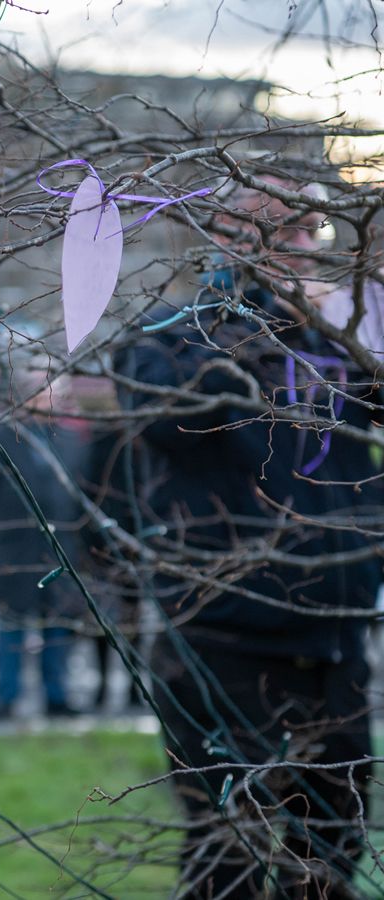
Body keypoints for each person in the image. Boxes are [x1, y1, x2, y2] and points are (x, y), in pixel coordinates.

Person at [123, 179, 381, 898]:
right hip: (224, 636)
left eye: (310, 231)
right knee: (229, 851)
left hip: (334, 637)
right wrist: (253, 316)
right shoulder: (173, 335)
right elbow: (164, 416)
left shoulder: (342, 337)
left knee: (332, 849)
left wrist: (348, 323)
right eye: (282, 231)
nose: (303, 248)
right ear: (227, 238)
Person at [0, 371, 86, 721]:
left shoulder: (71, 440)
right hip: (12, 547)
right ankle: (6, 697)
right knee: (11, 626)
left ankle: (57, 697)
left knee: (57, 627)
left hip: (60, 549)